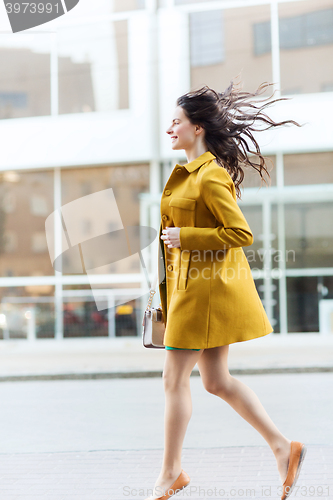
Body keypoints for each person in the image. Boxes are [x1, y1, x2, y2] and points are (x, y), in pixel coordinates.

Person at [144, 83, 306, 500]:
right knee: (215, 380)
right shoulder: (189, 172)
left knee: (173, 379)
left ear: (196, 127)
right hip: (191, 289)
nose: (170, 129)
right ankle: (282, 447)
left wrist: (187, 236)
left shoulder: (209, 173)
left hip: (202, 293)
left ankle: (170, 473)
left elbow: (239, 232)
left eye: (176, 122)